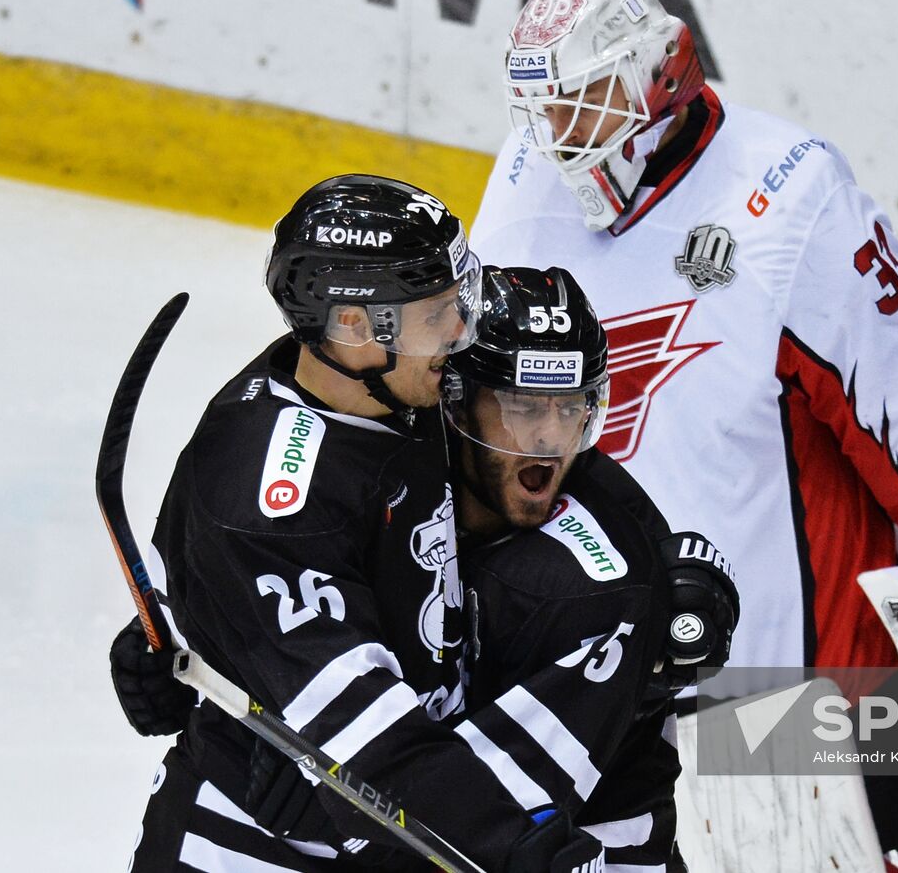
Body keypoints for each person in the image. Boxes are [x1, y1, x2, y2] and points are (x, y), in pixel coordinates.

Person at [471, 0, 898, 864]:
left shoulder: (788, 195)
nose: (560, 134)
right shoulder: (531, 168)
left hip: (792, 713)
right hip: (595, 684)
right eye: (543, 110)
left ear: (657, 72)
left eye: (583, 102)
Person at [113, 261, 740, 871]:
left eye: (572, 406)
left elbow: (474, 827)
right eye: (524, 406)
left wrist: (327, 797)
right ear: (453, 399)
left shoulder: (591, 587)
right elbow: (290, 557)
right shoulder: (393, 457)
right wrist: (216, 628)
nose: (550, 438)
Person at [120, 174, 608, 872]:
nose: (461, 331)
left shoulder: (399, 386)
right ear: (353, 324)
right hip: (249, 850)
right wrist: (512, 842)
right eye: (436, 312)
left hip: (385, 826)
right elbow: (371, 742)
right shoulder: (270, 494)